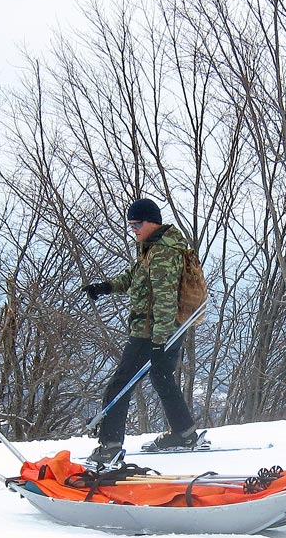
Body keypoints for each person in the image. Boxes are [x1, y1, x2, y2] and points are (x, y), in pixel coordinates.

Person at [81, 197, 201, 466]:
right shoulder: (154, 247)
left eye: (136, 223)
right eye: (130, 224)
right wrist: (106, 287)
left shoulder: (162, 253)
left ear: (151, 222)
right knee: (161, 377)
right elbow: (135, 279)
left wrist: (158, 343)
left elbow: (165, 299)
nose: (132, 229)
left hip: (151, 331)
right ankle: (184, 433)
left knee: (120, 384)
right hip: (165, 329)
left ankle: (110, 446)